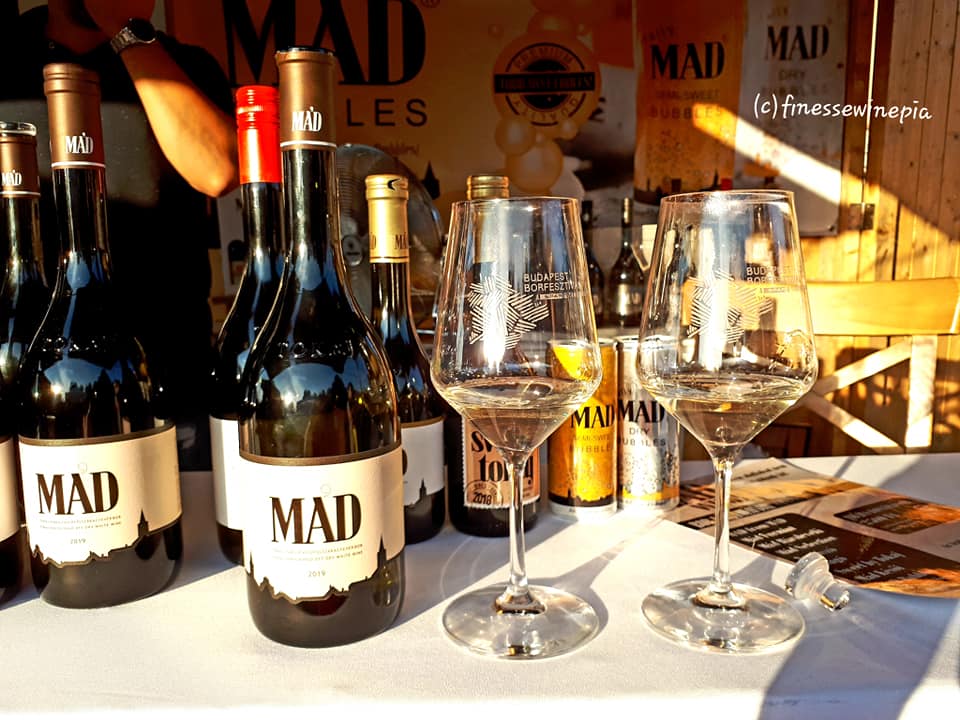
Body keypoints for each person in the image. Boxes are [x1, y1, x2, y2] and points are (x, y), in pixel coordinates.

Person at [0, 0, 239, 469]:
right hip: (29, 384)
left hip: (166, 383)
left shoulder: (182, 67)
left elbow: (218, 170)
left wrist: (124, 31)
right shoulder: (8, 60)